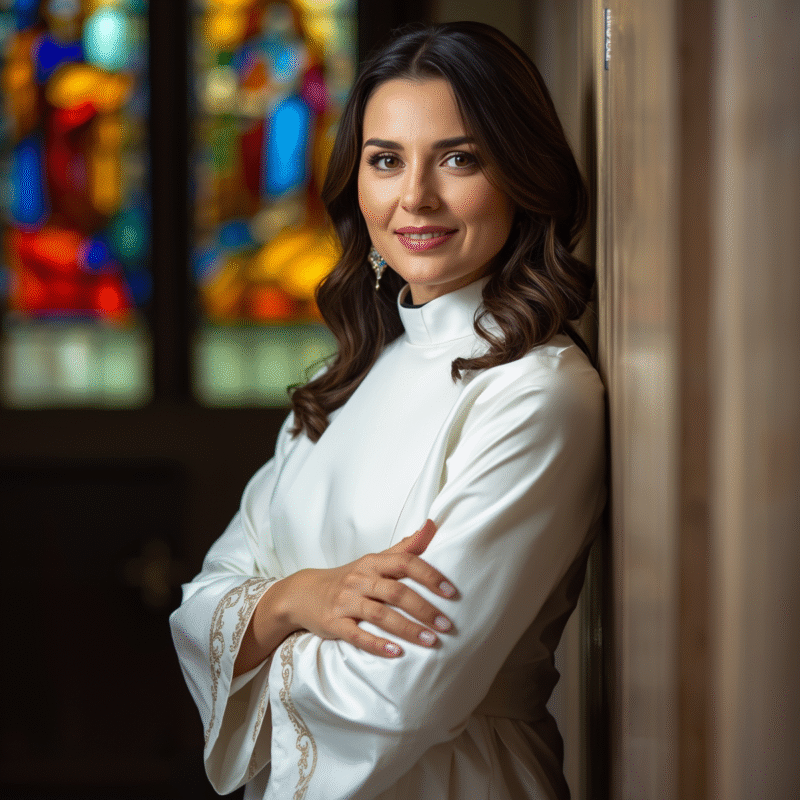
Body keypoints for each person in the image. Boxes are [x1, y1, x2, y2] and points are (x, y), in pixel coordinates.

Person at [170, 21, 605, 800]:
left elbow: (396, 694)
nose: (415, 198)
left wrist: (265, 624)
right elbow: (200, 602)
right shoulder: (349, 379)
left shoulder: (535, 394)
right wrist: (302, 597)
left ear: (521, 174)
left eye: (459, 158)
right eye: (386, 160)